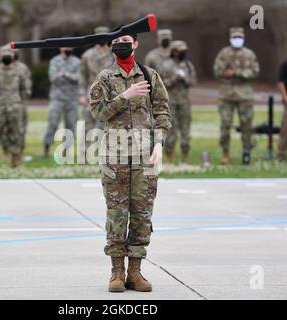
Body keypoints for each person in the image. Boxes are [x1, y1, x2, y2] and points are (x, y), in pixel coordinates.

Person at [89, 28, 171, 293]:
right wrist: (124, 97)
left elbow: (162, 111)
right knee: (117, 213)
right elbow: (99, 113)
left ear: (135, 43)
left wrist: (159, 141)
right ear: (111, 47)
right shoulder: (104, 77)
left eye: (126, 41)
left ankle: (135, 271)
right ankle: (116, 272)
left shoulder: (150, 76)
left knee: (141, 214)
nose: (121, 45)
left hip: (145, 155)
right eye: (116, 42)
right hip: (115, 155)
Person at [213, 27, 259, 165]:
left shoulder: (249, 54)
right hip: (226, 95)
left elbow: (255, 71)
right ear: (230, 38)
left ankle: (246, 153)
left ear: (243, 38)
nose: (237, 40)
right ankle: (225, 153)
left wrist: (238, 72)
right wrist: (225, 73)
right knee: (225, 124)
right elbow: (217, 70)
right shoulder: (224, 53)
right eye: (235, 37)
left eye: (239, 37)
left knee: (247, 125)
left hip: (244, 95)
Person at [0, 46, 31, 168]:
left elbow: (25, 90)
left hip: (15, 108)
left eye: (8, 56)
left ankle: (15, 160)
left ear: (12, 57)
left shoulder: (19, 72)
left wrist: (19, 102)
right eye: (4, 56)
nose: (6, 58)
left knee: (15, 133)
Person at [79, 26, 115, 153]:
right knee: (88, 123)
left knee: (106, 123)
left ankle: (103, 151)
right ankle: (85, 151)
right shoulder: (87, 55)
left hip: (109, 91)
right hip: (91, 90)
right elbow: (82, 75)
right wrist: (82, 94)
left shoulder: (114, 54)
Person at [160, 40, 197, 163]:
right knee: (171, 130)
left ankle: (185, 156)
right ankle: (169, 156)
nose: (183, 53)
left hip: (184, 102)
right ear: (174, 52)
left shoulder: (188, 65)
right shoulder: (166, 65)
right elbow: (160, 83)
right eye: (181, 51)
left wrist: (184, 78)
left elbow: (193, 82)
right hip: (171, 102)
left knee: (185, 130)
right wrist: (173, 79)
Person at [43, 47, 81, 157]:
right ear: (61, 48)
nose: (68, 49)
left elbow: (78, 78)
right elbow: (53, 78)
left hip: (72, 98)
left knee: (71, 125)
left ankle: (66, 152)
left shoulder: (77, 62)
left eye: (70, 46)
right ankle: (46, 148)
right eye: (65, 47)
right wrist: (69, 76)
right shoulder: (54, 61)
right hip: (57, 98)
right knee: (52, 123)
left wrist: (65, 74)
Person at [1, 48, 33, 157]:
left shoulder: (22, 68)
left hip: (20, 102)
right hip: (4, 102)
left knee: (21, 126)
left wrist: (23, 98)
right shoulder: (2, 68)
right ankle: (5, 149)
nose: (14, 54)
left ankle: (20, 149)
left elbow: (27, 85)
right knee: (5, 126)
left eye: (15, 52)